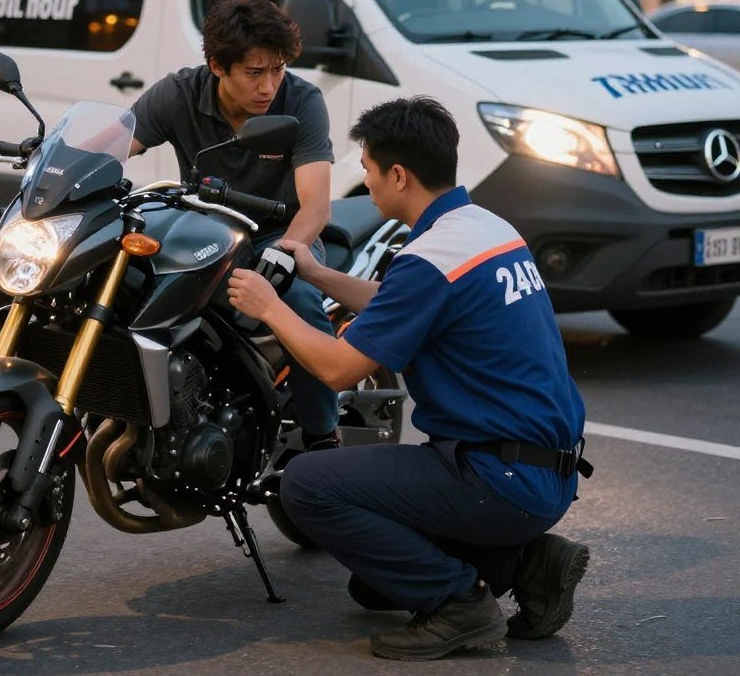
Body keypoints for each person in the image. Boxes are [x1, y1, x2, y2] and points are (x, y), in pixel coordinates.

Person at [227, 96, 591, 661]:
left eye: (369, 170)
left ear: (399, 174)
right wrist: (321, 275)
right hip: (547, 471)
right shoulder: (483, 228)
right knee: (373, 585)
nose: (365, 183)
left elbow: (339, 367)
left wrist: (271, 306)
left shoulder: (430, 258)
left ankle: (459, 605)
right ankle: (526, 564)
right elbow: (398, 301)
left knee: (305, 483)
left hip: (500, 476)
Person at [130, 0, 340, 448]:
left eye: (278, 68)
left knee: (300, 301)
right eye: (255, 72)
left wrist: (288, 254)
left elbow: (316, 205)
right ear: (218, 66)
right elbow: (112, 142)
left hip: (280, 234)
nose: (269, 86)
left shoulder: (301, 101)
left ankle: (324, 435)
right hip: (204, 229)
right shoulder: (180, 93)